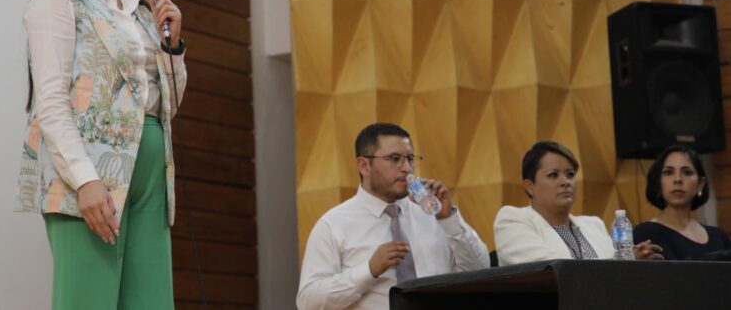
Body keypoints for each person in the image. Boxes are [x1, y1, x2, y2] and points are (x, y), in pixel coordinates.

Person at [14, 0, 187, 309]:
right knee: (88, 300)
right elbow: (51, 101)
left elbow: (168, 103)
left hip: (151, 180)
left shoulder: (141, 10)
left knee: (151, 302)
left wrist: (173, 47)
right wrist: (85, 182)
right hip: (89, 177)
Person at [297, 122, 490, 309]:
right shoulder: (333, 225)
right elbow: (308, 302)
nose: (407, 168)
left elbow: (480, 272)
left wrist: (448, 219)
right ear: (364, 166)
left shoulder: (433, 216)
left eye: (410, 158)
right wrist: (368, 270)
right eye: (395, 158)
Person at [494, 141, 663, 266]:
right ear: (530, 186)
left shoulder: (593, 225)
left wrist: (633, 259)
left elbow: (615, 272)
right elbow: (549, 269)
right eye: (553, 175)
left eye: (570, 174)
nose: (565, 182)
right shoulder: (512, 219)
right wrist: (623, 263)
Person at [634, 145, 731, 260]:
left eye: (687, 172)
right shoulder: (646, 233)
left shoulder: (719, 237)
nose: (678, 179)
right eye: (668, 172)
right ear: (658, 183)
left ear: (700, 184)